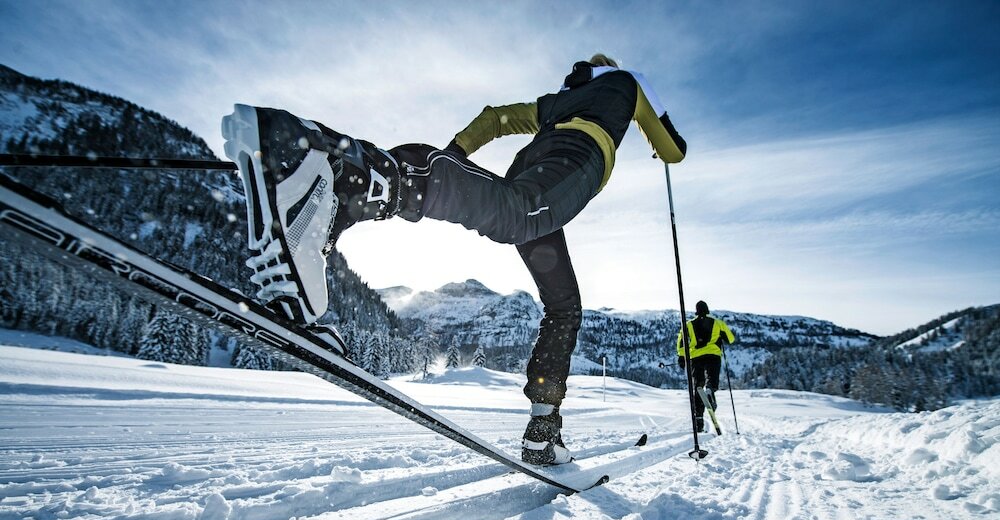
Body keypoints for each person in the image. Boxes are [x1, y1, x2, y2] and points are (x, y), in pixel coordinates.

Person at [222, 54, 687, 465]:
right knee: (518, 216)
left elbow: (498, 118)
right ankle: (355, 175)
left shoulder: (560, 100)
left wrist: (456, 154)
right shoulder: (627, 82)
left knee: (563, 302)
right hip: (576, 161)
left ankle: (544, 430)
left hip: (532, 165)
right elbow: (672, 150)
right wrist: (436, 171)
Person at [676, 301, 735, 432]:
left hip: (696, 357)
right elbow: (730, 339)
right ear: (707, 310)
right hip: (713, 355)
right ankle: (710, 390)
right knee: (712, 379)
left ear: (696, 311)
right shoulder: (718, 323)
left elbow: (681, 342)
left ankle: (699, 421)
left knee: (698, 386)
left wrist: (681, 357)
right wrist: (720, 338)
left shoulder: (688, 325)